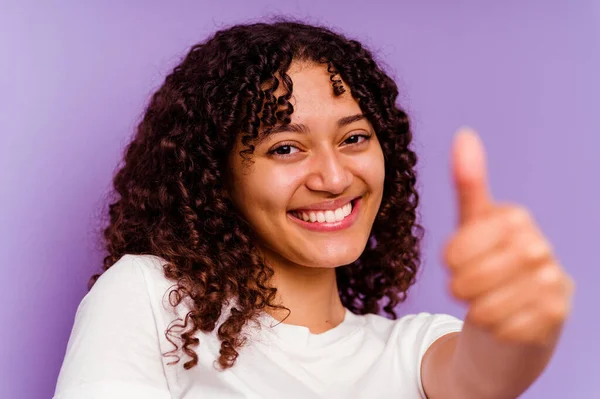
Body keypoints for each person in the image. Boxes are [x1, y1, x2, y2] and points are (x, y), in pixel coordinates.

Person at [53, 19, 574, 399]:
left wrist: (522, 328)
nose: (334, 177)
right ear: (218, 176)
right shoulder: (149, 298)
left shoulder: (414, 350)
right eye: (285, 147)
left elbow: (483, 373)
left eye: (353, 138)